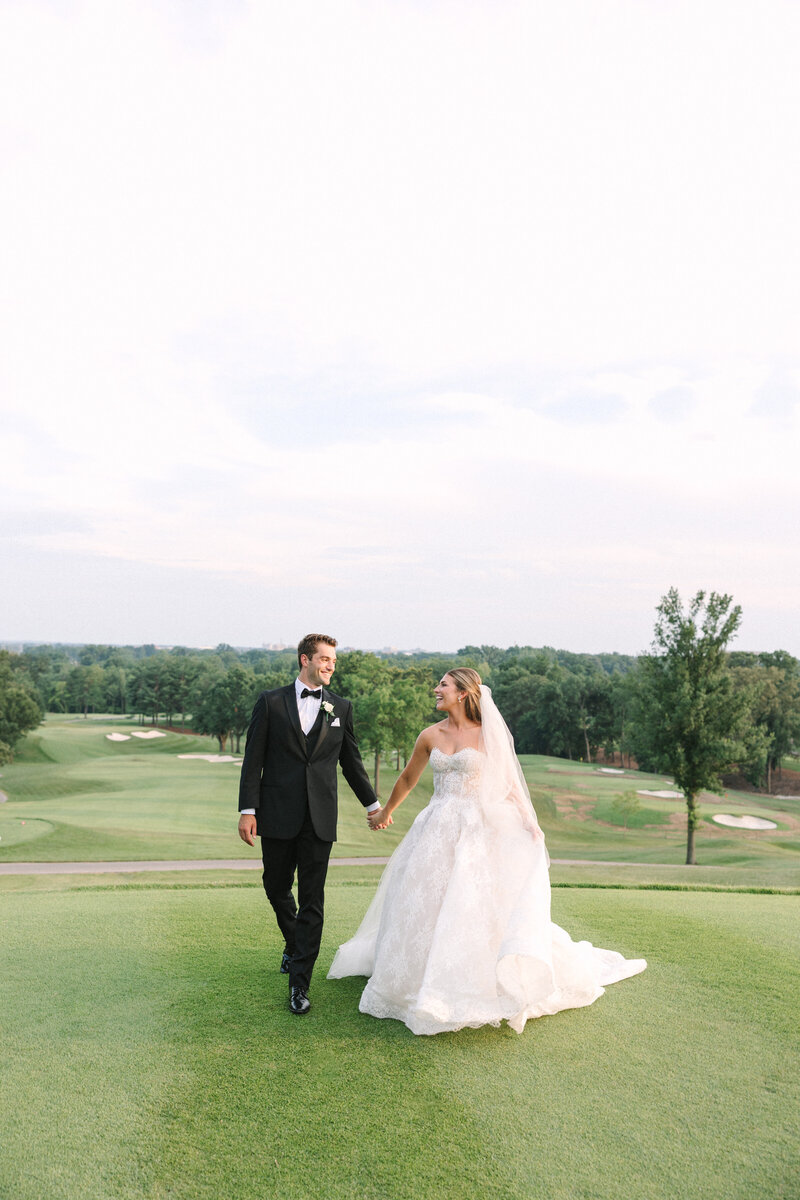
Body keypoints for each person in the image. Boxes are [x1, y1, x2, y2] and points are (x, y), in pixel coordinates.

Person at [328, 668, 646, 1035]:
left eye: (443, 685)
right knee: (424, 900)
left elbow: (509, 784)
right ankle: (416, 978)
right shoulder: (429, 735)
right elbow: (408, 778)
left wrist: (530, 822)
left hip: (477, 831)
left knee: (472, 904)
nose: (436, 689)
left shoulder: (487, 735)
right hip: (435, 828)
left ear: (463, 693)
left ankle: (475, 978)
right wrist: (386, 812)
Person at [238, 634, 379, 1015]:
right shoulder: (270, 703)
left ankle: (299, 985)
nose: (331, 666)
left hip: (320, 819)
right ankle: (294, 944)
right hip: (278, 814)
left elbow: (351, 763)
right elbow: (253, 761)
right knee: (275, 885)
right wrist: (248, 810)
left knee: (313, 900)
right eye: (325, 659)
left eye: (333, 660)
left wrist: (374, 805)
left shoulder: (340, 707)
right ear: (305, 659)